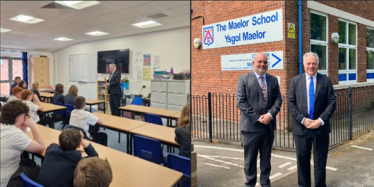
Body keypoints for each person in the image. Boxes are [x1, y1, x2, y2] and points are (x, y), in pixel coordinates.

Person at [288, 52, 336, 187]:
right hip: (301, 129)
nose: (311, 66)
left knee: (320, 162)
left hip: (320, 129)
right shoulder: (295, 81)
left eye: (314, 63)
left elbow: (332, 103)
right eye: (308, 63)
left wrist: (320, 121)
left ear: (318, 64)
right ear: (304, 64)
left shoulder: (326, 81)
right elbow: (291, 103)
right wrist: (303, 120)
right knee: (302, 161)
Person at [236, 52, 282, 187]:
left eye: (265, 62)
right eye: (259, 62)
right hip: (250, 128)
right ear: (253, 63)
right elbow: (241, 102)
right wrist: (258, 118)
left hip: (268, 127)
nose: (262, 64)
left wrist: (270, 115)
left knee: (266, 160)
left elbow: (278, 99)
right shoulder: (243, 79)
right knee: (250, 161)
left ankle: (265, 184)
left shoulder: (273, 80)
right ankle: (250, 184)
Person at [0, 100, 45, 187]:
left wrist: (23, 126)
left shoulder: (4, 127)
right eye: (24, 116)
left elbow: (20, 143)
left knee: (28, 162)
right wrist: (33, 125)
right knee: (41, 172)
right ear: (18, 118)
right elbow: (41, 147)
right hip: (6, 180)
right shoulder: (14, 134)